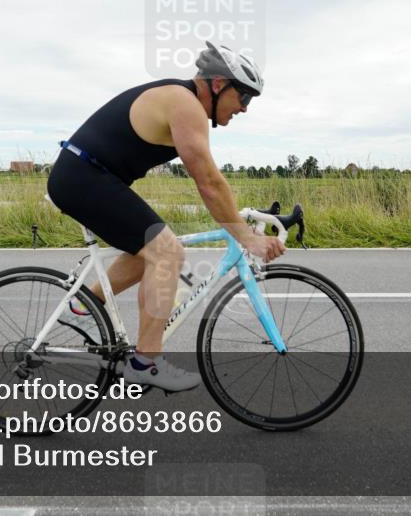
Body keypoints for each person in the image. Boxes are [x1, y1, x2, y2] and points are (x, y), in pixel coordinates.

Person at [46, 41, 285, 391]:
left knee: (153, 247)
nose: (245, 109)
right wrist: (246, 237)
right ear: (219, 85)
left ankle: (86, 305)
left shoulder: (184, 102)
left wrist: (239, 221)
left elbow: (211, 182)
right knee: (167, 252)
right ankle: (146, 363)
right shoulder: (184, 103)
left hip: (88, 175)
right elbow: (208, 181)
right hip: (82, 176)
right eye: (244, 98)